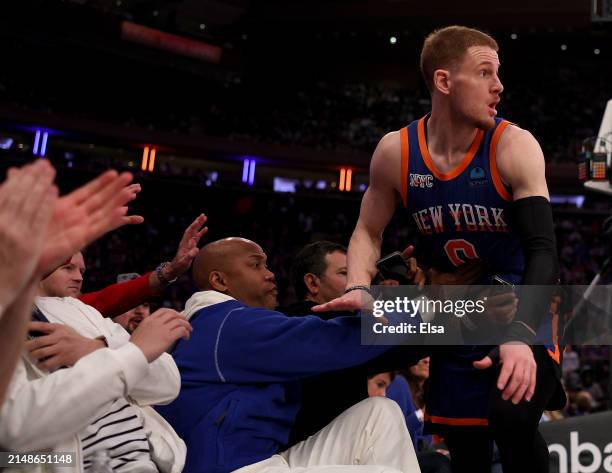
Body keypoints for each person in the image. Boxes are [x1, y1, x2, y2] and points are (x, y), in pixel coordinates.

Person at [313, 25, 564, 473]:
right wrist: (358, 284)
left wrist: (522, 334)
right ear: (445, 82)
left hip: (518, 303)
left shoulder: (514, 144)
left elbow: (543, 248)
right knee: (466, 446)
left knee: (511, 419)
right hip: (451, 311)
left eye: (499, 73)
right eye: (485, 72)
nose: (499, 85)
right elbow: (368, 232)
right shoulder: (396, 152)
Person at [157, 237, 421, 473]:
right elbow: (336, 341)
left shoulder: (220, 324)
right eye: (256, 265)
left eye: (268, 265)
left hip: (265, 460)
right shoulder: (229, 324)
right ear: (220, 281)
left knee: (379, 413)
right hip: (232, 468)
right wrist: (433, 305)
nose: (271, 274)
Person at [0, 161, 142, 406]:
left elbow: (168, 382)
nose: (79, 277)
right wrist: (131, 354)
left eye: (82, 271)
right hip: (58, 443)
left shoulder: (88, 313)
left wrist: (96, 349)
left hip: (147, 441)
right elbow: (17, 429)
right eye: (67, 267)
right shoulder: (15, 306)